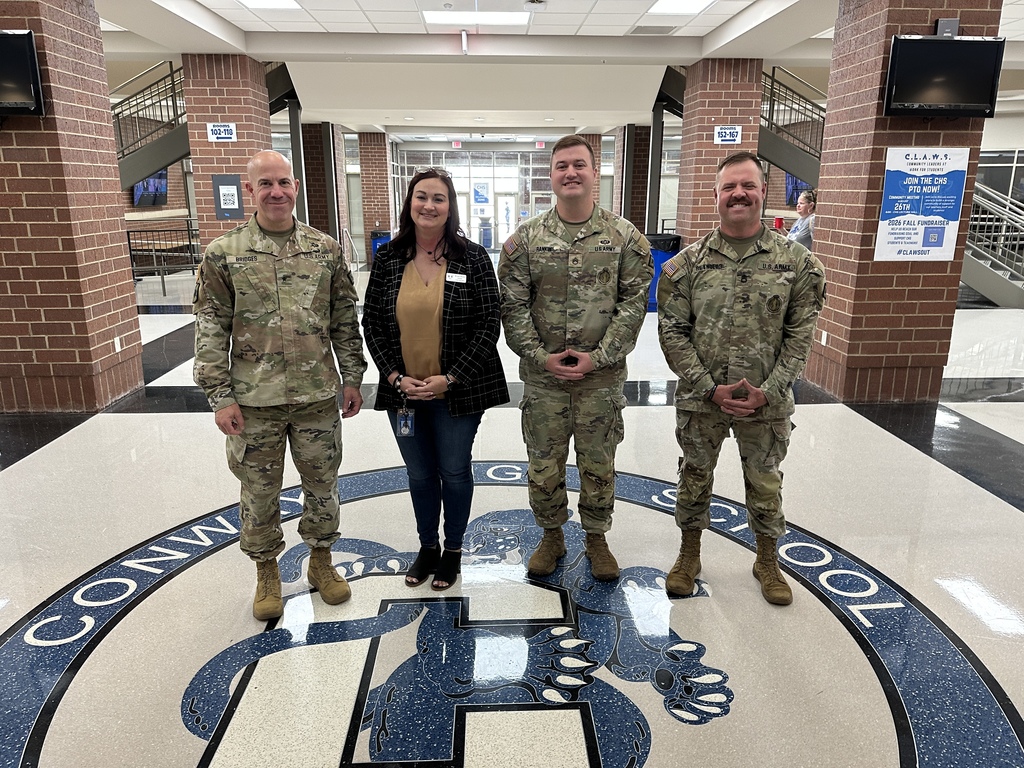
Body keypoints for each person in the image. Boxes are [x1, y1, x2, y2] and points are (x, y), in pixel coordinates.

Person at [193, 149, 367, 621]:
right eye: (266, 183)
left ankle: (321, 561)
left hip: (316, 396)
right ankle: (266, 570)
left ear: (295, 187)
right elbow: (210, 327)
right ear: (250, 190)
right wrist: (220, 396)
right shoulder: (224, 253)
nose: (276, 192)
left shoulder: (324, 249)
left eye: (284, 182)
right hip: (255, 401)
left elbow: (343, 319)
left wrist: (352, 376)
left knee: (323, 486)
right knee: (259, 491)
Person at [657, 151, 826, 605]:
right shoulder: (686, 266)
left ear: (763, 192)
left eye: (748, 185)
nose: (739, 194)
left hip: (767, 402)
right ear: (715, 194)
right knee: (694, 477)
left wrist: (768, 391)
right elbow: (672, 332)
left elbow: (800, 338)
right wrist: (709, 387)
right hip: (702, 400)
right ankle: (689, 554)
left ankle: (767, 560)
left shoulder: (799, 264)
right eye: (729, 186)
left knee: (766, 483)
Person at [498, 135, 654, 582]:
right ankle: (551, 536)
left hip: (600, 381)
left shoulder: (626, 239)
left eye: (579, 165)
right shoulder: (524, 241)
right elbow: (512, 306)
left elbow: (632, 308)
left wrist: (598, 358)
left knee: (598, 463)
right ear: (550, 175)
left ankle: (596, 537)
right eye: (562, 165)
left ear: (594, 172)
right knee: (543, 465)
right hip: (543, 380)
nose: (571, 173)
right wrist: (539, 356)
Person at [362, 168, 509, 591]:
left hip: (457, 392)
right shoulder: (389, 258)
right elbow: (372, 323)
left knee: (454, 471)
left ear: (450, 207)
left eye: (439, 198)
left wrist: (452, 377)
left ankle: (453, 551)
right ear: (410, 203)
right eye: (421, 196)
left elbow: (489, 324)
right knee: (420, 474)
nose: (429, 205)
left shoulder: (473, 258)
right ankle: (428, 547)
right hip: (403, 393)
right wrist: (394, 377)